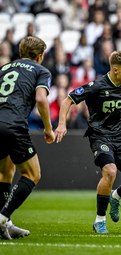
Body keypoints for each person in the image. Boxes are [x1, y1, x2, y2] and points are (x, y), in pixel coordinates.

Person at [55, 51, 121, 234]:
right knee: (110, 171)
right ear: (115, 70)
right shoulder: (96, 86)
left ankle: (116, 197)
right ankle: (100, 220)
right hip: (100, 136)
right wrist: (61, 124)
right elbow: (68, 100)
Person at [0, 36, 55, 239]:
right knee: (32, 174)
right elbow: (41, 98)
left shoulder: (4, 68)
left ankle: (7, 223)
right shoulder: (42, 70)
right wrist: (48, 128)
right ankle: (3, 217)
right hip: (14, 124)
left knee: (5, 173)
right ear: (39, 56)